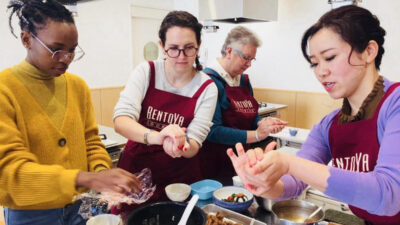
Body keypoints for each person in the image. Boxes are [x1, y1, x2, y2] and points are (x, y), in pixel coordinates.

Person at [228, 5, 400, 225]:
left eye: (329, 57)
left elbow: (388, 194)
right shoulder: (329, 125)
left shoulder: (395, 104)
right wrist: (264, 182)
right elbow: (293, 183)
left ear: (369, 51)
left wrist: (288, 162)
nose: (321, 72)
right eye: (315, 63)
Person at [0, 1, 140, 225]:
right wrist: (87, 179)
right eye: (56, 50)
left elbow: (91, 142)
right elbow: (10, 172)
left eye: (72, 50)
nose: (66, 58)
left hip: (82, 204)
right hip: (32, 214)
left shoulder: (77, 86)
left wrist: (103, 172)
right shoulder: (5, 89)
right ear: (26, 39)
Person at [111, 10, 218, 219]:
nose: (181, 57)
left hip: (179, 178)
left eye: (189, 49)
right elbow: (121, 121)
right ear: (162, 46)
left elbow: (194, 142)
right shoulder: (146, 72)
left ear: (199, 45)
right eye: (173, 49)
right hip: (136, 174)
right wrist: (158, 136)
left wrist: (181, 145)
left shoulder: (207, 87)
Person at [199, 26, 287, 180]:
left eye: (252, 59)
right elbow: (213, 132)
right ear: (229, 51)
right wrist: (257, 135)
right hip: (214, 164)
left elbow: (250, 118)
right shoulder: (209, 80)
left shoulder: (244, 81)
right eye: (245, 57)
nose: (249, 64)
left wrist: (263, 123)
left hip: (241, 160)